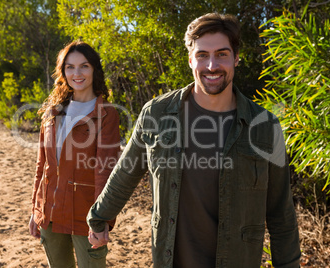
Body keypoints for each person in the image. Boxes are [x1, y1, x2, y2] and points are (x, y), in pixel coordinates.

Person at [87, 12, 301, 268]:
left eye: (222, 54)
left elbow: (281, 214)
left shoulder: (265, 126)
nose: (212, 66)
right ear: (190, 60)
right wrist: (99, 218)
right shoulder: (156, 113)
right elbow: (125, 173)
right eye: (202, 55)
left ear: (236, 58)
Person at [29, 41, 120, 268]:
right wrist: (36, 209)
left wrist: (101, 221)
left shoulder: (106, 114)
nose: (76, 73)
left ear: (94, 70)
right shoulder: (52, 112)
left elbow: (105, 171)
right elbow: (42, 166)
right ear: (63, 72)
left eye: (84, 66)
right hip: (50, 213)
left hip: (86, 217)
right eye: (70, 67)